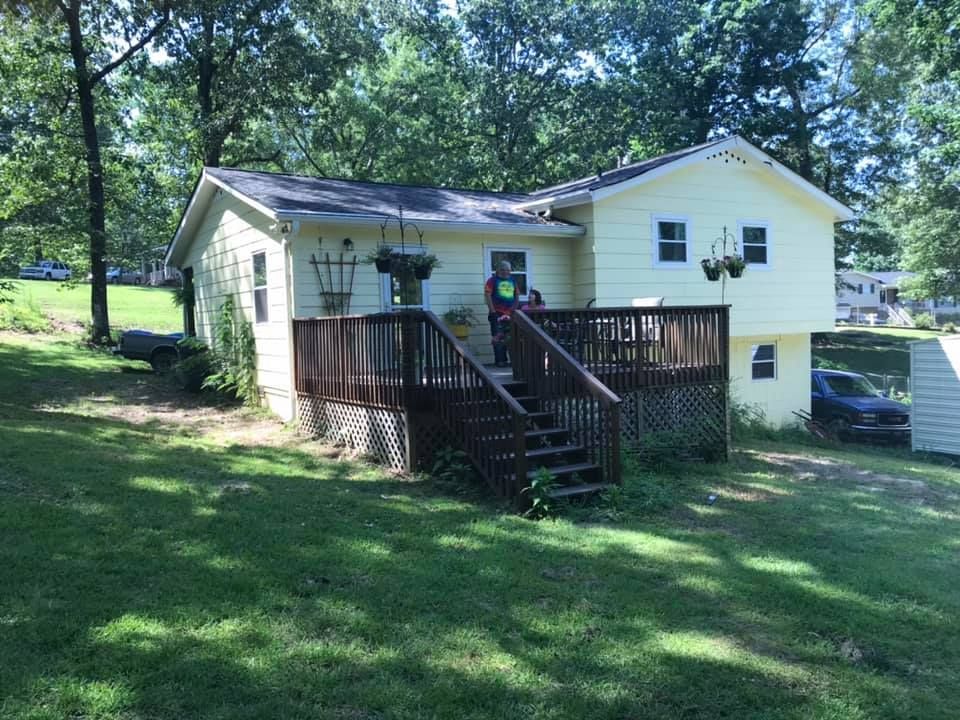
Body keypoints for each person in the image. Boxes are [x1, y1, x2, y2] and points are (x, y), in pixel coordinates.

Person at [484, 260, 519, 367]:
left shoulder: (513, 280)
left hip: (510, 314)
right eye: (504, 270)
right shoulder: (492, 280)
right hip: (497, 313)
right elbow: (487, 295)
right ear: (498, 269)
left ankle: (513, 361)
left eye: (508, 270)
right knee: (498, 337)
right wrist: (493, 311)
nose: (506, 272)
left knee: (510, 337)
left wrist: (513, 310)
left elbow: (516, 295)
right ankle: (500, 361)